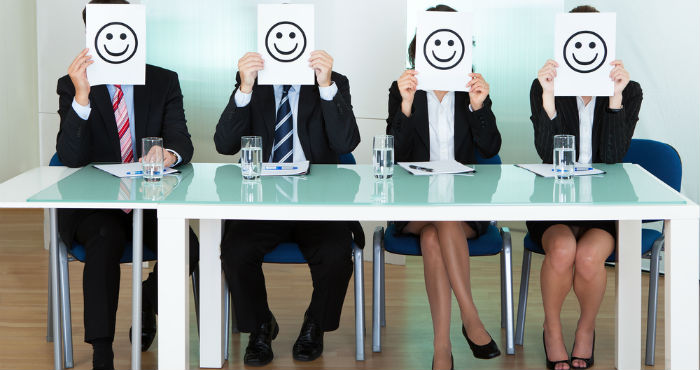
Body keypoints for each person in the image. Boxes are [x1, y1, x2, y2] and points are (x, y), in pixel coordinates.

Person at [56, 1, 199, 368]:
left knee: (189, 246)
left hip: (148, 198)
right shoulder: (71, 85)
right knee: (105, 240)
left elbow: (183, 142)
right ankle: (102, 352)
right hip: (94, 206)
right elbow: (70, 157)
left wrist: (169, 154)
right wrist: (82, 96)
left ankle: (147, 303)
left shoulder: (164, 81)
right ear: (92, 35)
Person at [213, 47, 361, 366]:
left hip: (317, 204)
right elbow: (224, 145)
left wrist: (325, 86)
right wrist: (245, 88)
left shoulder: (334, 82)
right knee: (236, 249)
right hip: (263, 203)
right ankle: (260, 326)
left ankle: (315, 324)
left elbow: (346, 143)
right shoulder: (254, 83)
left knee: (337, 253)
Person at [385, 5, 502, 370]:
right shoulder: (402, 88)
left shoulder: (470, 89)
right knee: (439, 221)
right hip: (414, 204)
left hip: (461, 203)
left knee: (437, 233)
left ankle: (441, 350)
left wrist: (479, 107)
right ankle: (471, 319)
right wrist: (404, 106)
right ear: (421, 46)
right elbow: (392, 154)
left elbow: (490, 148)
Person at [526, 5, 643, 370]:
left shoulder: (630, 90)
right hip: (555, 202)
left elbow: (613, 156)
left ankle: (586, 330)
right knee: (562, 250)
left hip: (603, 205)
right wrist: (547, 98)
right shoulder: (546, 86)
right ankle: (553, 329)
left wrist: (615, 100)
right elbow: (548, 153)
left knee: (590, 257)